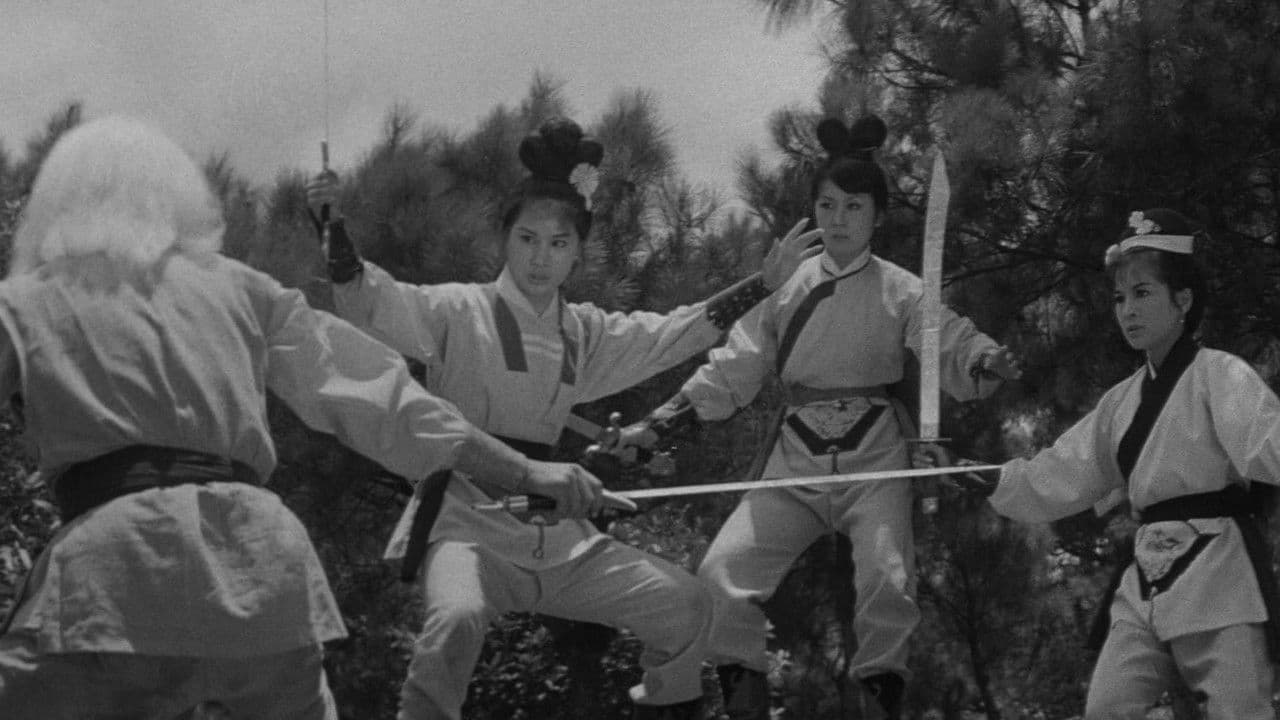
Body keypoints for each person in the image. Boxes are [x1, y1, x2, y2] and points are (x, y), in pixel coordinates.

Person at [0, 116, 606, 720]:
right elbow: (388, 401)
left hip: (111, 576)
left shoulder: (28, 301)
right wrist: (527, 471)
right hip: (259, 573)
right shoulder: (241, 288)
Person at [305, 117, 817, 720]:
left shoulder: (583, 333)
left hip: (556, 533)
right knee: (458, 618)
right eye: (527, 239)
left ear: (576, 253)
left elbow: (672, 334)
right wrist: (332, 227)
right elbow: (375, 301)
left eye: (557, 243)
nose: (539, 258)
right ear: (505, 239)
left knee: (684, 604)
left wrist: (763, 284)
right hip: (467, 522)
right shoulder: (458, 310)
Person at [630, 115, 1022, 720]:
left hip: (876, 456)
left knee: (888, 579)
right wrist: (663, 423)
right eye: (827, 205)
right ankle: (744, 705)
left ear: (877, 216)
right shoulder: (782, 287)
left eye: (854, 206)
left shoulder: (903, 289)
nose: (838, 219)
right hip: (795, 456)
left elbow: (949, 337)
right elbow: (733, 366)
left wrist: (985, 360)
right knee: (721, 571)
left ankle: (878, 703)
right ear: (813, 210)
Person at [920, 208, 1280, 719]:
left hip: (1217, 569)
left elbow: (1269, 443)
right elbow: (1059, 472)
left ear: (1183, 300)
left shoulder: (1221, 375)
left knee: (1242, 711)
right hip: (1147, 574)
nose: (1127, 310)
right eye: (1119, 298)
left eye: (1143, 293)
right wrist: (970, 472)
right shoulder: (1120, 402)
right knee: (1107, 708)